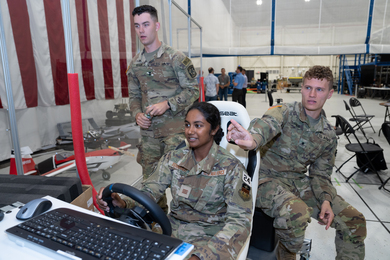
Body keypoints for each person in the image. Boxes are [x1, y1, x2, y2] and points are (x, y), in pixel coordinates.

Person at [227, 65, 366, 260]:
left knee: (354, 220)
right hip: (266, 180)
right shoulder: (284, 112)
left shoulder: (328, 134)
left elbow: (320, 175)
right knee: (296, 213)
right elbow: (267, 124)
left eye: (319, 89)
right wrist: (253, 139)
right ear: (301, 89)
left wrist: (325, 199)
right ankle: (286, 255)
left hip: (297, 182)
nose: (312, 94)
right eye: (308, 87)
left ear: (330, 93)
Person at [97, 102, 253, 260]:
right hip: (169, 231)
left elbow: (240, 222)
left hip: (210, 239)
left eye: (198, 125)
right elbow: (149, 191)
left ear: (213, 129)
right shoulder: (173, 159)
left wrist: (201, 257)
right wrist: (123, 203)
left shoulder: (232, 167)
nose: (190, 131)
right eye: (187, 125)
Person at [127, 5, 199, 211]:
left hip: (175, 133)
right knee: (150, 184)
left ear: (156, 26)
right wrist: (137, 114)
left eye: (146, 24)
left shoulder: (176, 58)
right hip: (149, 135)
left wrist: (168, 104)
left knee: (180, 181)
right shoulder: (135, 65)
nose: (141, 30)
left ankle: (183, 224)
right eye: (137, 26)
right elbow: (133, 96)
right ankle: (156, 224)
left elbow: (193, 90)